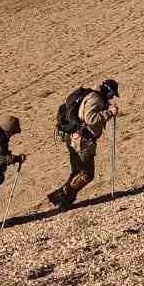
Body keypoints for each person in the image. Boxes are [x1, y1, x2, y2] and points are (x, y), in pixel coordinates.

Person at [47, 79, 122, 210]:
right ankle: (61, 196)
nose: (112, 97)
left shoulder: (90, 95)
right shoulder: (96, 99)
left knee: (77, 171)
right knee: (87, 173)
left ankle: (64, 200)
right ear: (107, 90)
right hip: (84, 140)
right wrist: (110, 113)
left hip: (74, 138)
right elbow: (90, 119)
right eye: (112, 94)